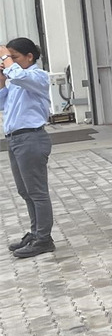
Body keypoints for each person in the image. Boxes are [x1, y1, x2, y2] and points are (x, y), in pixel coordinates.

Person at [0, 38, 54, 258]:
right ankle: (35, 232)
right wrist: (2, 81)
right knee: (25, 191)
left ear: (29, 57)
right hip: (15, 140)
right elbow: (3, 104)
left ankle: (44, 239)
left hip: (31, 138)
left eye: (14, 57)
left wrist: (5, 57)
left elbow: (20, 76)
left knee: (37, 192)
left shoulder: (36, 76)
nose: (9, 62)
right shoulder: (15, 81)